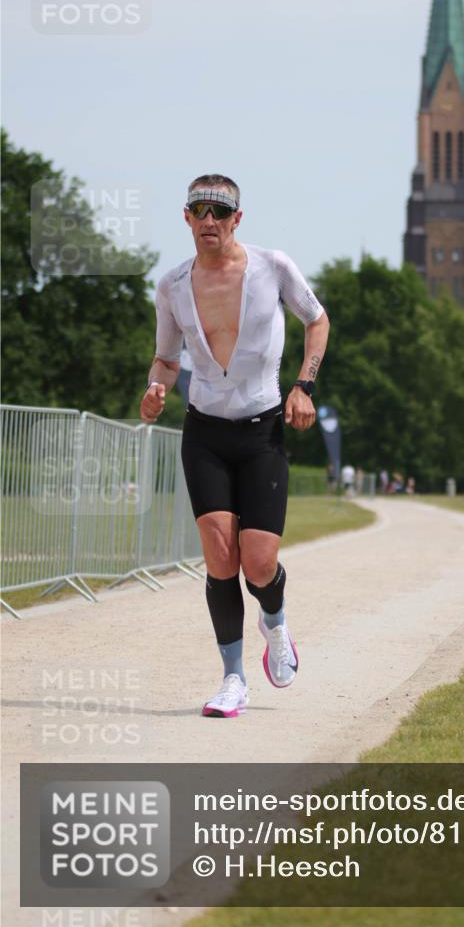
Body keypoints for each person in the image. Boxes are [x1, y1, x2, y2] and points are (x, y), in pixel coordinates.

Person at [140, 174, 329, 718]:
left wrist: (304, 385)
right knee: (220, 558)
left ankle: (275, 624)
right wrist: (156, 388)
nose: (209, 221)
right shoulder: (173, 285)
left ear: (236, 220)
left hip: (262, 430)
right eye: (199, 211)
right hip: (205, 432)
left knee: (258, 562)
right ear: (186, 218)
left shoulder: (273, 267)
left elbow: (317, 322)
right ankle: (233, 679)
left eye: (219, 212)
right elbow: (167, 359)